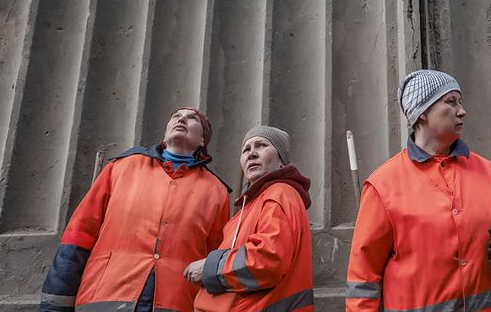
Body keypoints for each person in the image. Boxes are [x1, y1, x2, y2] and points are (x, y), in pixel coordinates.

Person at [346, 69, 491, 312]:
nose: (462, 111)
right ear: (421, 114)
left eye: (460, 102)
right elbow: (363, 279)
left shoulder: (484, 171)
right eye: (450, 102)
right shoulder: (383, 186)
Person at [40, 107, 231, 312]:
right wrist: (55, 306)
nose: (181, 119)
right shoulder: (121, 167)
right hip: (106, 296)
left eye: (192, 118)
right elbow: (79, 234)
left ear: (203, 140)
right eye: (176, 116)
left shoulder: (216, 191)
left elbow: (213, 258)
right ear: (164, 136)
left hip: (176, 302)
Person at [189, 125, 314, 312]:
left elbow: (268, 260)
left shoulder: (280, 193)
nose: (252, 154)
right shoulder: (247, 209)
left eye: (261, 145)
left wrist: (209, 268)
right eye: (246, 149)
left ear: (282, 161)